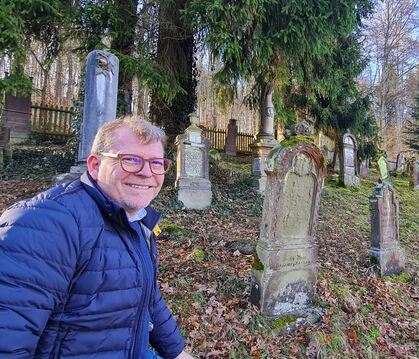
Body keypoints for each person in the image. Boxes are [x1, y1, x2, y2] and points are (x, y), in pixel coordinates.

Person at [0, 116, 194, 359]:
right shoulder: (46, 223)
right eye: (130, 160)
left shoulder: (134, 219)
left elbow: (148, 297)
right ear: (94, 165)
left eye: (156, 163)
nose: (147, 173)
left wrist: (177, 353)